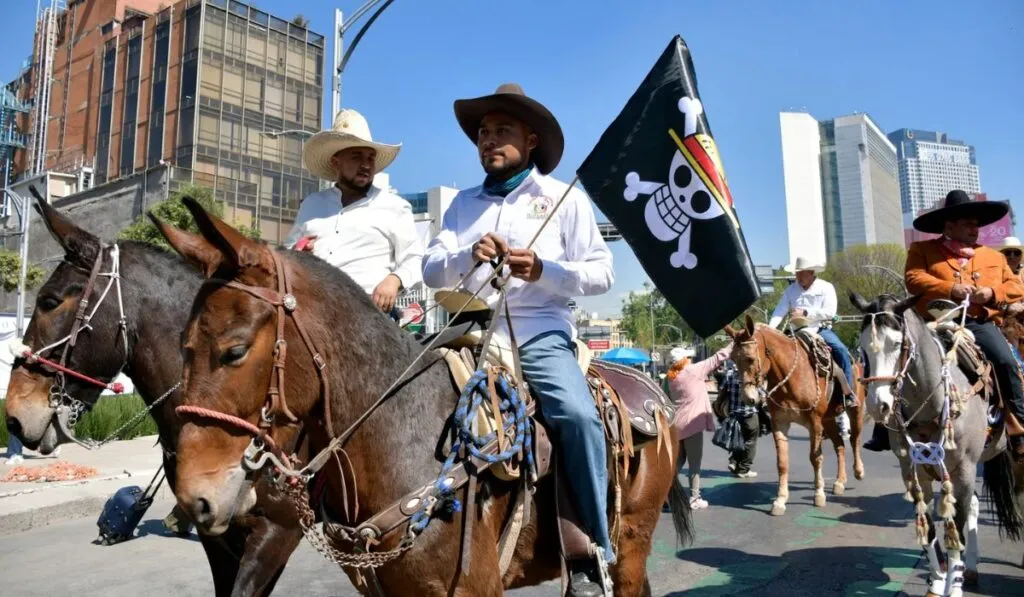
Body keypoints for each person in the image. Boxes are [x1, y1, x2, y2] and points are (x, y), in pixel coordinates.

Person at [422, 83, 614, 596]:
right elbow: (431, 269)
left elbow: (601, 274)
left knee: (575, 416)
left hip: (540, 332)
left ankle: (592, 551)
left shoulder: (564, 199)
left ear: (531, 140)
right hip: (472, 328)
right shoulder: (463, 205)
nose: (489, 141)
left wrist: (543, 269)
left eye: (502, 130)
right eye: (483, 133)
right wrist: (468, 257)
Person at [904, 189, 1024, 458]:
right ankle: (889, 426)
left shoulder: (994, 257)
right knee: (898, 362)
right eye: (968, 223)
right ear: (949, 225)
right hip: (933, 323)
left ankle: (1018, 424)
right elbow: (913, 279)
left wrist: (992, 294)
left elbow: (1016, 287)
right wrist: (950, 289)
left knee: (1005, 361)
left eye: (977, 223)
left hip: (978, 323)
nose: (975, 228)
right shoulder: (922, 250)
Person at [285, 108, 423, 320]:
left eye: (370, 157)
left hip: (369, 314)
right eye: (357, 156)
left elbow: (414, 259)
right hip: (314, 312)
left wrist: (394, 280)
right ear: (335, 161)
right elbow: (286, 254)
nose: (366, 165)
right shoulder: (312, 205)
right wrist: (298, 253)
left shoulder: (395, 207)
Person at [768, 256, 857, 437]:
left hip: (820, 330)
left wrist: (806, 312)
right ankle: (769, 396)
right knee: (772, 355)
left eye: (801, 273)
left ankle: (847, 396)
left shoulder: (826, 287)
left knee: (841, 351)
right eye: (797, 273)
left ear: (811, 273)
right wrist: (769, 331)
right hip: (795, 332)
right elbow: (779, 312)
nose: (798, 276)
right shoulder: (790, 290)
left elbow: (830, 313)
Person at [668, 343, 733, 509]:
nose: (691, 359)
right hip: (692, 425)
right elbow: (718, 357)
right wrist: (734, 342)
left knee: (677, 463)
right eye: (688, 357)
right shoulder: (693, 371)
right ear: (684, 360)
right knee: (694, 465)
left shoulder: (671, 378)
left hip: (677, 426)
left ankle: (665, 495)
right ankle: (695, 498)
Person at [721, 360, 759, 477]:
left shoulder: (730, 374)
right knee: (750, 442)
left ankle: (734, 462)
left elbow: (722, 390)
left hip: (734, 413)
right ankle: (743, 469)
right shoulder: (752, 374)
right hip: (749, 414)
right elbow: (760, 394)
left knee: (737, 439)